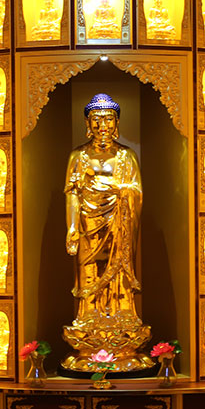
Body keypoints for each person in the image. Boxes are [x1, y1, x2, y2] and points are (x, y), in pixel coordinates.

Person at [64, 93, 141, 321]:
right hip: (87, 222)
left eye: (108, 119)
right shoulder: (78, 156)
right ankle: (88, 316)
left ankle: (122, 313)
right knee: (88, 267)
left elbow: (136, 190)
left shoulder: (127, 155)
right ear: (87, 123)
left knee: (119, 267)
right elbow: (72, 193)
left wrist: (117, 188)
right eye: (96, 119)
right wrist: (72, 227)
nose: (102, 125)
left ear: (117, 122)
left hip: (118, 221)